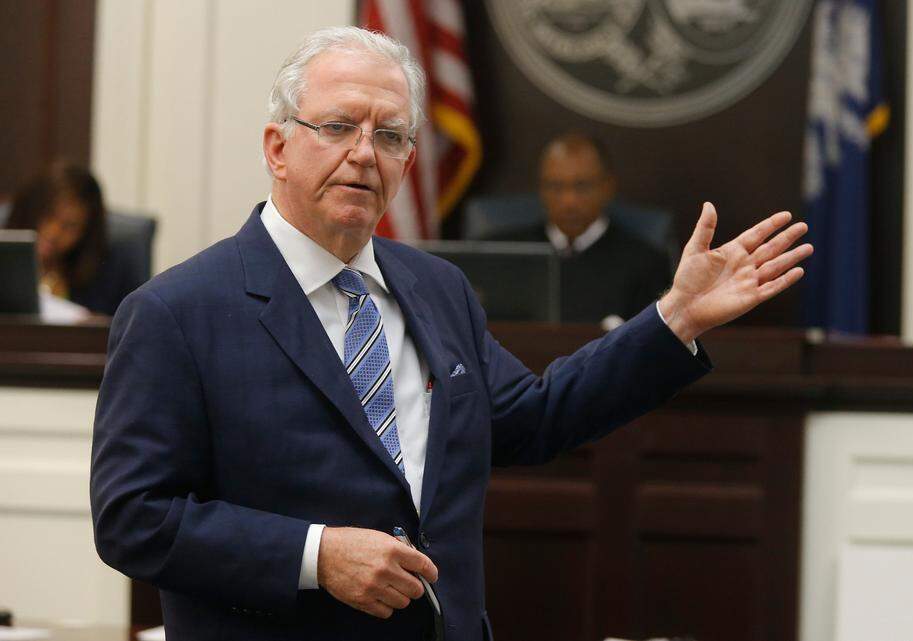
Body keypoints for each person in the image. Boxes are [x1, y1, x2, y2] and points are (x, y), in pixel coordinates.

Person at [89, 27, 812, 641]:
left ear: (408, 162)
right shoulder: (176, 312)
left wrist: (674, 319)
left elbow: (533, 418)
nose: (364, 152)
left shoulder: (438, 290)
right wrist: (314, 555)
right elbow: (132, 518)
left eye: (390, 135)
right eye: (338, 127)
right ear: (278, 147)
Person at [489, 133, 673, 324]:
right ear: (541, 189)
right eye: (556, 187)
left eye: (582, 186)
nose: (569, 201)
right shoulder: (503, 254)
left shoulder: (646, 264)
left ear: (608, 187)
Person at [5, 161, 142, 316]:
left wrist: (98, 325)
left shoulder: (111, 270)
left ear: (86, 233)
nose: (53, 233)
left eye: (70, 226)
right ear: (30, 209)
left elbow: (131, 323)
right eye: (48, 215)